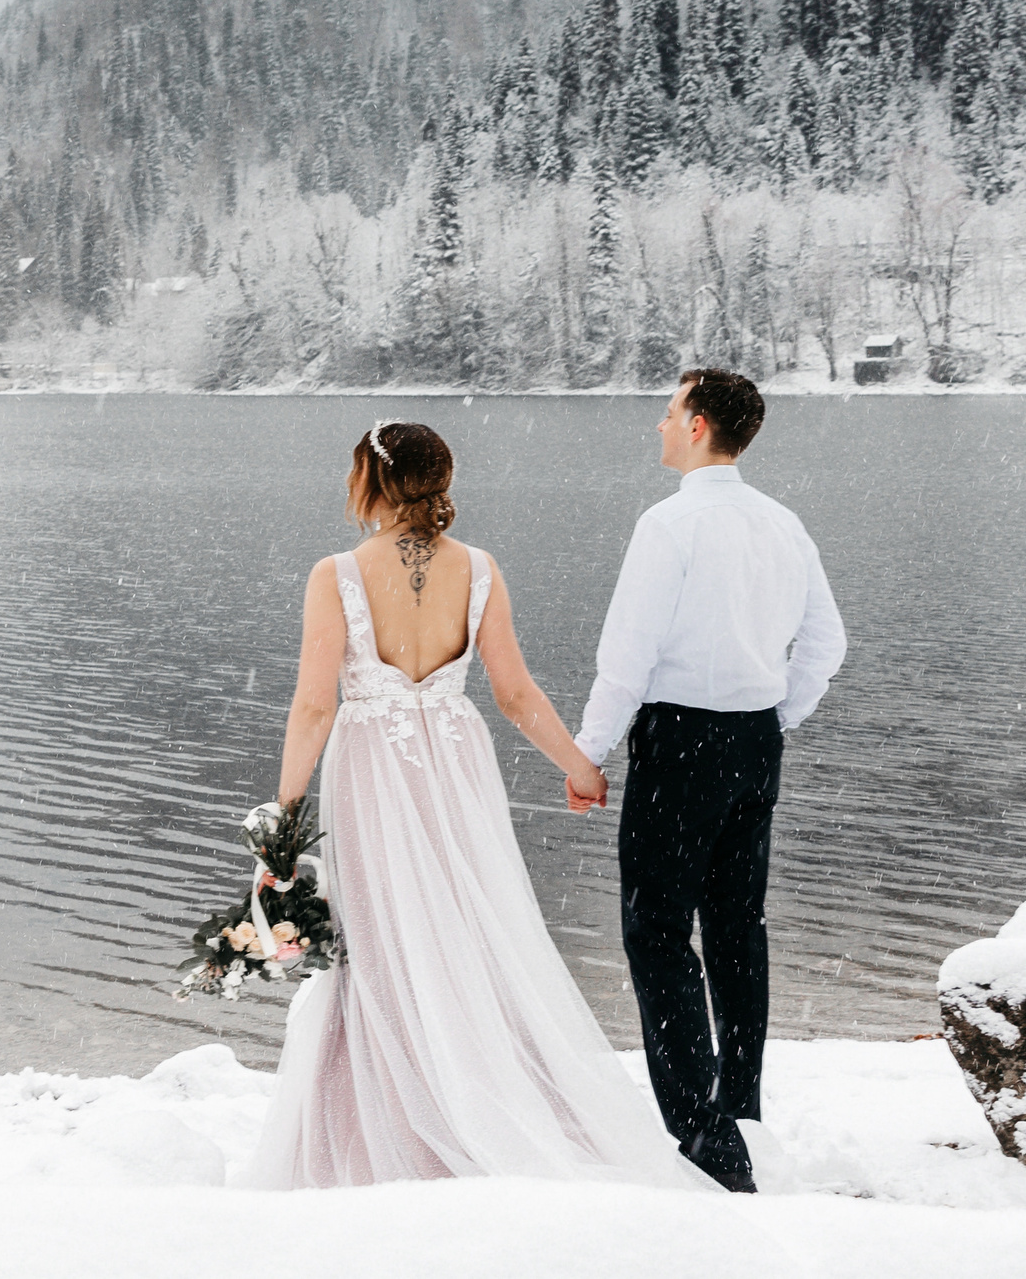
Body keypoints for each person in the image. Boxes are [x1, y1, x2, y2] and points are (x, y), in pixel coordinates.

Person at [246, 420, 707, 1192]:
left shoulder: (336, 573)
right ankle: (480, 1093)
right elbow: (515, 692)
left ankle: (396, 1124)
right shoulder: (481, 568)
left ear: (375, 479)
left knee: (384, 940)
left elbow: (312, 706)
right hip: (455, 766)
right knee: (465, 925)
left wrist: (284, 822)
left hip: (374, 769)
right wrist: (580, 768)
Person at [569, 368, 846, 1193]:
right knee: (736, 925)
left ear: (696, 425)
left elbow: (628, 655)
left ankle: (698, 1130)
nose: (658, 424)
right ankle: (742, 1108)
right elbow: (827, 643)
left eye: (667, 411)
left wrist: (590, 751)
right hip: (756, 741)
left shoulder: (669, 525)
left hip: (681, 742)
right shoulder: (783, 523)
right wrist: (775, 717)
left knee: (656, 930)